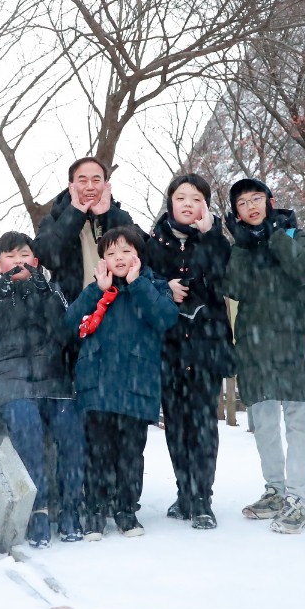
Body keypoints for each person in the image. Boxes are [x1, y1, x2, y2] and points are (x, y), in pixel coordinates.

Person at [220, 177, 305, 535]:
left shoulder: (296, 234)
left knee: (298, 422)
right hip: (256, 345)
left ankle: (297, 498)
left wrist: (277, 235)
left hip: (296, 342)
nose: (251, 207)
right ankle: (275, 490)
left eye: (256, 199)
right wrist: (241, 245)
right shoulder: (241, 248)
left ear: (269, 200)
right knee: (263, 423)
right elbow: (233, 287)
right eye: (243, 204)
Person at [0, 232, 84, 547]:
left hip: (54, 379)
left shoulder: (52, 290)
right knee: (27, 426)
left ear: (36, 261)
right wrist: (1, 296)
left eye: (24, 255)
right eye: (11, 255)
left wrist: (43, 294)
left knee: (71, 430)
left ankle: (72, 508)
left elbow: (67, 335)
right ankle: (38, 510)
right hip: (8, 380)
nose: (19, 261)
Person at [64, 226, 177, 540]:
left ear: (138, 255)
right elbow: (69, 323)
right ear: (103, 260)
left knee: (130, 453)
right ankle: (94, 512)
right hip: (96, 385)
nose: (119, 258)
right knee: (97, 452)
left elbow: (166, 318)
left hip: (135, 386)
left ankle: (126, 510)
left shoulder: (153, 286)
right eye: (111, 253)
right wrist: (94, 291)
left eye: (126, 251)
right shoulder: (96, 290)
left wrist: (136, 284)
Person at [143, 174, 234, 530]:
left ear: (205, 205)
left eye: (196, 198)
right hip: (168, 347)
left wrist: (211, 236)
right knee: (177, 425)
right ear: (170, 202)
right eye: (181, 197)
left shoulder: (216, 240)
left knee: (203, 424)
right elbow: (138, 280)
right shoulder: (152, 243)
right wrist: (164, 286)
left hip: (206, 345)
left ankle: (202, 498)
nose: (187, 203)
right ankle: (184, 491)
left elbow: (226, 278)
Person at [34, 157, 136, 304]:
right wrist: (74, 215)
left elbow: (141, 252)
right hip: (72, 309)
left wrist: (107, 216)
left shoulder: (120, 217)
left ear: (106, 185)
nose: (90, 187)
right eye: (82, 181)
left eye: (96, 180)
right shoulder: (54, 220)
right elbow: (47, 258)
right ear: (71, 187)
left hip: (117, 308)